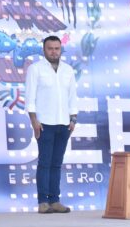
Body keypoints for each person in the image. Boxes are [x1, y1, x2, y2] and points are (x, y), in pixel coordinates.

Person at [25, 35, 77, 214]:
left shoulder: (68, 70)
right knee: (45, 162)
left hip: (64, 123)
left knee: (57, 163)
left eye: (57, 48)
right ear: (44, 50)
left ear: (61, 49)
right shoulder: (35, 69)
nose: (54, 51)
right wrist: (34, 121)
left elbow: (72, 96)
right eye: (50, 48)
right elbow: (30, 97)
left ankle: (55, 200)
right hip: (44, 123)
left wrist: (73, 119)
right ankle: (43, 202)